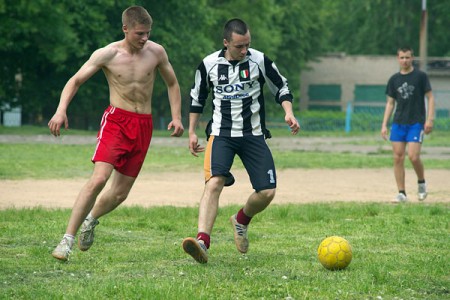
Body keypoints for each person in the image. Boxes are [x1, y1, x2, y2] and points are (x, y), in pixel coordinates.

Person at [48, 6, 184, 261]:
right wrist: (60, 110)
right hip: (116, 122)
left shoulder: (156, 52)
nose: (144, 38)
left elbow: (173, 83)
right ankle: (66, 241)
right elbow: (75, 80)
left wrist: (177, 117)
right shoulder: (108, 54)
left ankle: (91, 219)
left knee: (120, 193)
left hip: (143, 124)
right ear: (125, 29)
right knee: (99, 179)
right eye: (139, 33)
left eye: (147, 33)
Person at [182, 18, 300, 264]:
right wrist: (192, 131)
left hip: (253, 135)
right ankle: (202, 241)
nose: (245, 50)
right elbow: (197, 98)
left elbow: (281, 87)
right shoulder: (208, 64)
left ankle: (241, 220)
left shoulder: (259, 60)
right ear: (226, 43)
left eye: (247, 44)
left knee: (267, 191)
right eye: (239, 46)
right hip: (221, 134)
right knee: (214, 183)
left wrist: (288, 111)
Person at [381, 46, 435, 203]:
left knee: (413, 156)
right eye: (402, 57)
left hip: (416, 123)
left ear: (413, 58)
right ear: (398, 59)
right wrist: (384, 124)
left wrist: (429, 119)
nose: (404, 60)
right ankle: (402, 193)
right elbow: (390, 103)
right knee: (398, 157)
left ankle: (421, 182)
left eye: (407, 57)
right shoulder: (394, 80)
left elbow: (430, 98)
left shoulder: (421, 77)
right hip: (398, 123)